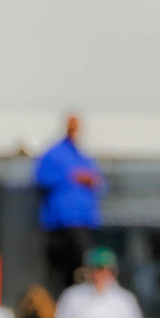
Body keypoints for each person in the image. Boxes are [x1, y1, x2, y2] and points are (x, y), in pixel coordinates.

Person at [35, 115, 104, 292]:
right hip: (62, 222)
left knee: (82, 264)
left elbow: (99, 183)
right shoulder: (54, 153)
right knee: (62, 268)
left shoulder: (83, 155)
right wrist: (71, 177)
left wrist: (91, 180)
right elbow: (41, 178)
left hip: (84, 221)